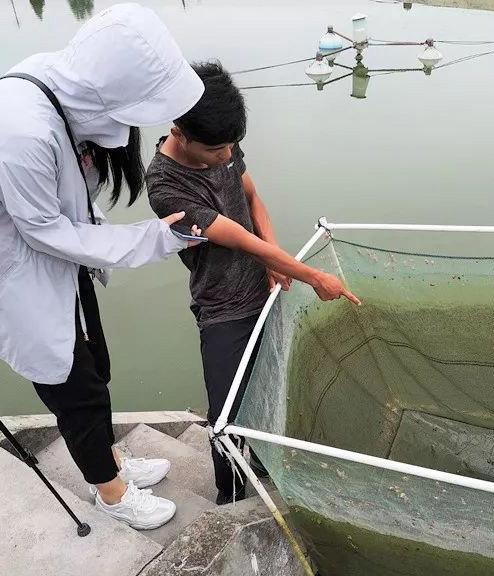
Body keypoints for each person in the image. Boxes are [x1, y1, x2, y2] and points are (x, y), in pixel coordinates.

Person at [0, 5, 205, 530]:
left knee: (94, 362)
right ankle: (110, 493)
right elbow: (46, 230)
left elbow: (62, 209)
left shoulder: (60, 89)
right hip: (13, 267)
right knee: (72, 384)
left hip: (48, 253)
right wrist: (154, 238)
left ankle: (111, 459)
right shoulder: (22, 131)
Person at [145, 62, 360, 504]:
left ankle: (264, 463)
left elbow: (252, 198)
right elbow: (237, 237)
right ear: (180, 133)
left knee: (269, 387)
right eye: (217, 150)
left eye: (232, 146)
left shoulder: (221, 141)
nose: (227, 157)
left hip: (264, 293)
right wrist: (314, 276)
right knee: (225, 414)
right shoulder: (166, 186)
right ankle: (231, 495)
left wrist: (276, 258)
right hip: (222, 308)